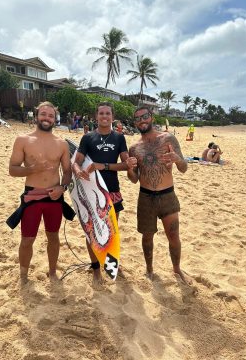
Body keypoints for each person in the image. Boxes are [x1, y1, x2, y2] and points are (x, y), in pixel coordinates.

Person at [72, 102, 137, 282]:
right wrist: (77, 171)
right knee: (91, 231)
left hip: (112, 191)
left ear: (112, 116)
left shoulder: (119, 138)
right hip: (91, 190)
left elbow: (126, 165)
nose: (104, 116)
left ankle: (111, 263)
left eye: (108, 113)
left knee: (111, 230)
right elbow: (76, 161)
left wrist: (103, 166)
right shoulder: (87, 138)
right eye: (101, 113)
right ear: (96, 116)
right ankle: (95, 269)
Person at [8, 101, 72, 283]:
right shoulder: (23, 140)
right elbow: (12, 170)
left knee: (53, 236)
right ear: (36, 116)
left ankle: (52, 272)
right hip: (32, 196)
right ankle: (23, 276)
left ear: (55, 119)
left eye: (51, 115)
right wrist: (32, 169)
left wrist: (62, 188)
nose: (47, 118)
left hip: (54, 196)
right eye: (43, 114)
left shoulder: (62, 144)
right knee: (27, 239)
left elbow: (67, 172)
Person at [127, 106, 190, 284]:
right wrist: (130, 169)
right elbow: (134, 179)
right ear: (135, 123)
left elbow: (184, 168)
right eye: (138, 118)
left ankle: (177, 269)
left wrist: (177, 159)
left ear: (151, 117)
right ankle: (149, 269)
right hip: (146, 197)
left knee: (173, 236)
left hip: (167, 195)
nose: (142, 120)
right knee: (147, 236)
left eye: (145, 116)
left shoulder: (168, 138)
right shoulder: (134, 148)